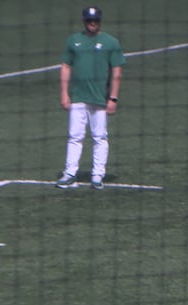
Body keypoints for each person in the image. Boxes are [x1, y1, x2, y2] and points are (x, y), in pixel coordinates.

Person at [56, 6, 125, 190]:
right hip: (78, 98)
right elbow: (65, 67)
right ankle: (70, 173)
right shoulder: (74, 41)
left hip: (99, 99)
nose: (92, 23)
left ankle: (97, 175)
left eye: (95, 20)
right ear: (84, 21)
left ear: (99, 21)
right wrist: (64, 93)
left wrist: (114, 98)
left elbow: (117, 72)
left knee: (100, 137)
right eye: (89, 20)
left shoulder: (111, 42)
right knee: (74, 137)